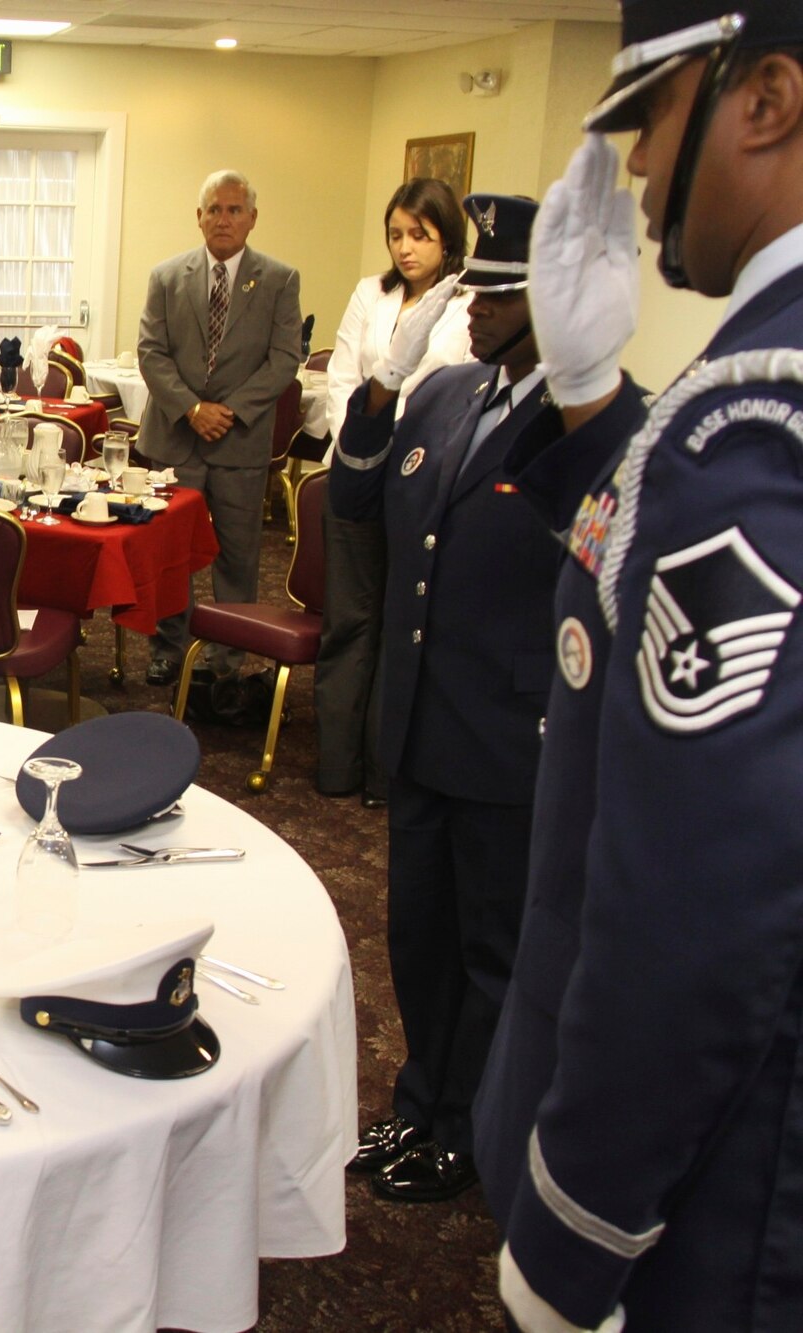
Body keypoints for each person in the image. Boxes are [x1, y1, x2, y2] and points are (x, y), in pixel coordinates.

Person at [464, 4, 803, 1329]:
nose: (643, 173)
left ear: (764, 101)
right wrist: (595, 392)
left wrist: (579, 1221)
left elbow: (703, 891)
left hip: (722, 1182)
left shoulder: (756, 419)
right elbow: (671, 584)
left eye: (654, 116)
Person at [331, 194, 649, 1207]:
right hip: (421, 718)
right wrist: (384, 383)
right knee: (415, 934)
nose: (476, 313)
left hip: (514, 734)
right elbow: (350, 500)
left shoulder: (602, 421)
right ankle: (420, 1096)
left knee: (493, 950)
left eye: (505, 299)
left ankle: (472, 1126)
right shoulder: (444, 393)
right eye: (476, 292)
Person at [316, 179, 473, 806]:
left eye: (420, 236)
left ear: (446, 240)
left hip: (425, 478)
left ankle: (384, 776)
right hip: (357, 467)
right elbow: (342, 378)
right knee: (349, 620)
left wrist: (398, 437)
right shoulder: (371, 293)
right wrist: (360, 442)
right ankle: (336, 766)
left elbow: (455, 388)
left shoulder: (467, 302)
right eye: (396, 235)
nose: (405, 248)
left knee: (400, 627)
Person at [136, 169, 303, 685]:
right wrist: (192, 408)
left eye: (235, 210)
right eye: (214, 209)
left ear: (252, 218)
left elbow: (283, 360)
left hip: (240, 441)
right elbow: (151, 352)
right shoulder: (167, 277)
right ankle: (169, 647)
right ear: (199, 217)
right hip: (175, 439)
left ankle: (227, 655)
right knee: (172, 554)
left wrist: (226, 410)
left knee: (237, 553)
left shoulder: (280, 279)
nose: (223, 219)